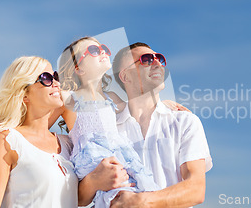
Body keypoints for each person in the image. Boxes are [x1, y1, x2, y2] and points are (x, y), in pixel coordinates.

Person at [79, 42, 213, 207]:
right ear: (125, 76)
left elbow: (196, 189)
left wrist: (141, 201)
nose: (157, 63)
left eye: (160, 58)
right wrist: (92, 181)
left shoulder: (185, 122)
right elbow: (80, 197)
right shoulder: (108, 129)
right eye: (147, 59)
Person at [54, 37, 162, 208]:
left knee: (138, 192)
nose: (103, 51)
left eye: (103, 48)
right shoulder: (68, 97)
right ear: (78, 68)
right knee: (118, 198)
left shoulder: (111, 97)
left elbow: (140, 105)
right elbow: (38, 121)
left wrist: (166, 105)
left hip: (121, 157)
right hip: (94, 161)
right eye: (94, 51)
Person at [0, 56, 78, 208]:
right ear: (24, 94)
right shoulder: (7, 140)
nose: (57, 84)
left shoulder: (68, 144)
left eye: (56, 76)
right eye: (46, 78)